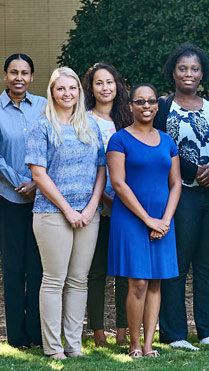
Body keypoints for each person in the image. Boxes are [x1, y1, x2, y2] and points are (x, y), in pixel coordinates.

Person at [25, 67, 106, 359]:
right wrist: (68, 210)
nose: (67, 94)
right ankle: (53, 348)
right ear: (52, 91)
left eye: (72, 88)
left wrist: (92, 206)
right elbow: (38, 173)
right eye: (61, 89)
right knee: (54, 280)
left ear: (79, 92)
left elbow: (101, 170)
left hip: (88, 214)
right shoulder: (42, 125)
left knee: (78, 280)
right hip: (52, 213)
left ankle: (73, 345)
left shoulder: (91, 126)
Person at [155, 42, 209, 350]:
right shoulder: (162, 107)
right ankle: (175, 335)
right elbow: (158, 146)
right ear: (173, 72)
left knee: (208, 266)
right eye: (182, 68)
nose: (189, 74)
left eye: (194, 69)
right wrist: (193, 170)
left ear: (202, 73)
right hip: (180, 195)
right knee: (177, 264)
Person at [107, 83, 181, 358]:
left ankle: (149, 344)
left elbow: (176, 184)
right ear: (130, 106)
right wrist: (149, 219)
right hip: (131, 219)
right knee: (137, 282)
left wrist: (164, 220)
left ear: (156, 105)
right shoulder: (119, 140)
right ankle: (134, 343)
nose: (146, 106)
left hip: (163, 220)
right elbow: (118, 183)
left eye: (151, 101)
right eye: (140, 101)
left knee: (155, 282)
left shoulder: (167, 140)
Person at [82, 62, 131, 347]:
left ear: (117, 85)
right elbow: (89, 169)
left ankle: (124, 332)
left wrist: (124, 202)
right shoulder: (85, 121)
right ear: (91, 88)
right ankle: (99, 334)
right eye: (99, 83)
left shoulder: (126, 120)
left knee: (124, 271)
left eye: (110, 82)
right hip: (97, 207)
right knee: (97, 271)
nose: (105, 88)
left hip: (126, 209)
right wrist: (106, 199)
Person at [0, 53, 45, 349]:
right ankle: (16, 336)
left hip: (42, 198)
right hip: (8, 198)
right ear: (5, 75)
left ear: (31, 77)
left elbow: (53, 145)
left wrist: (35, 182)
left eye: (24, 73)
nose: (19, 77)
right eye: (13, 72)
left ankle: (36, 332)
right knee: (14, 267)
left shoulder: (44, 106)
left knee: (39, 267)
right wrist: (17, 181)